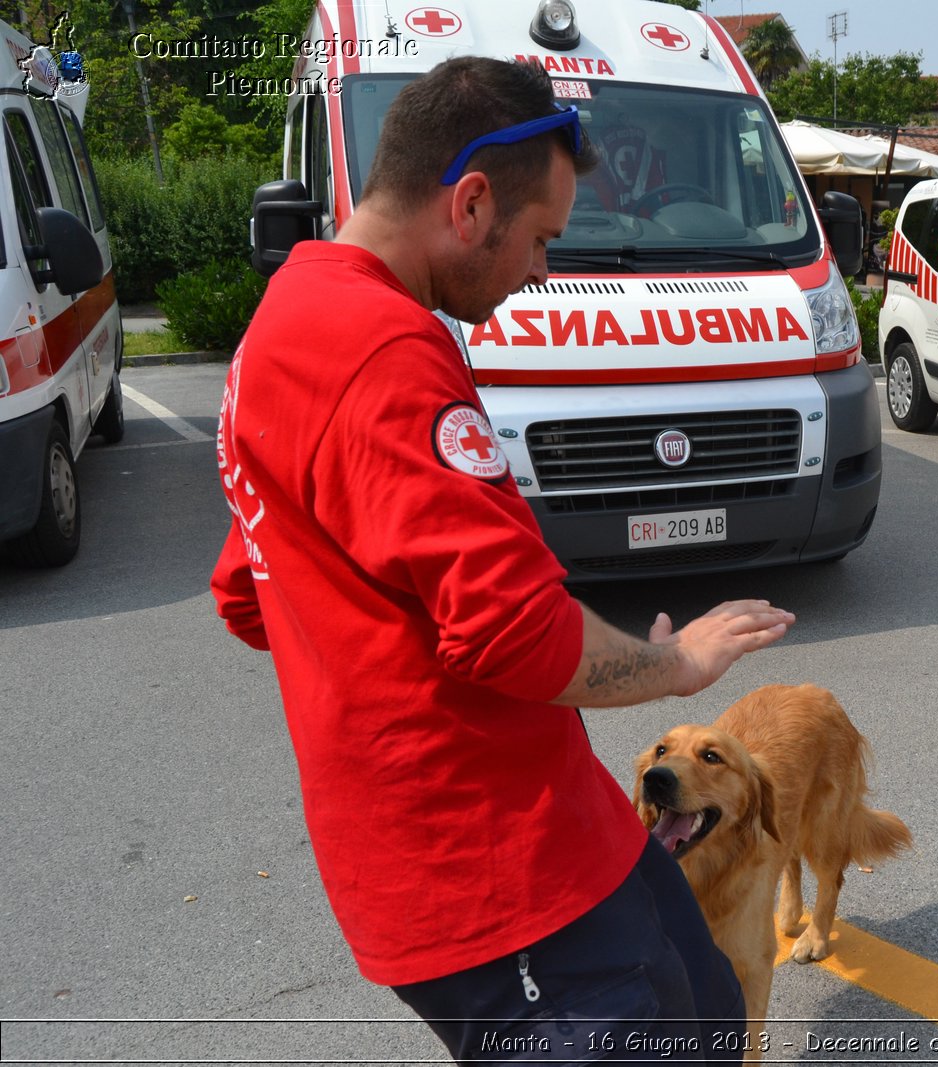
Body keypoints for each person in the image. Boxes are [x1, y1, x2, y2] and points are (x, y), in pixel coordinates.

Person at [210, 56, 793, 1064]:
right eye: (541, 239)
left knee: (707, 1009)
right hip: (498, 882)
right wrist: (679, 664)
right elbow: (513, 629)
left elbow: (247, 591)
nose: (541, 271)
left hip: (554, 832)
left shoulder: (288, 321)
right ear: (471, 202)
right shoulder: (385, 353)